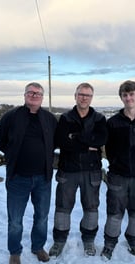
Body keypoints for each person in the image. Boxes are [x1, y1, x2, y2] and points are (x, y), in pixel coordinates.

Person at [0, 82, 57, 264]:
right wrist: (13, 154)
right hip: (17, 177)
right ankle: (15, 251)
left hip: (43, 178)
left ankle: (38, 247)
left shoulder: (49, 118)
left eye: (38, 93)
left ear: (42, 97)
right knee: (15, 220)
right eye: (31, 92)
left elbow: (56, 141)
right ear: (25, 95)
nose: (34, 95)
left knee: (42, 217)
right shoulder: (11, 116)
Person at [49, 82, 107, 258]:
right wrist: (84, 145)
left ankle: (88, 240)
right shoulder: (66, 118)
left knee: (91, 208)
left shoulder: (99, 119)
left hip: (92, 171)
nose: (84, 98)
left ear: (91, 98)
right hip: (68, 170)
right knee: (62, 208)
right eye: (81, 94)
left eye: (87, 95)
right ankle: (59, 241)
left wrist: (75, 137)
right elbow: (61, 141)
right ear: (75, 96)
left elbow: (101, 139)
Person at [101, 80, 135, 262]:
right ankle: (109, 244)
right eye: (125, 95)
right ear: (121, 98)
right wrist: (116, 163)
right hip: (118, 175)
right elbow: (108, 149)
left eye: (132, 94)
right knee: (115, 212)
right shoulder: (113, 122)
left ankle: (134, 244)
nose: (128, 98)